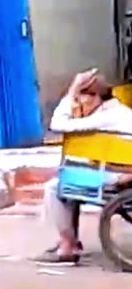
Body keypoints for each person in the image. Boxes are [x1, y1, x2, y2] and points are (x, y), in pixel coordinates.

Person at [35, 70, 132, 265]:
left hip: (123, 177)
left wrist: (72, 89)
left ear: (96, 97)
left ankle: (67, 245)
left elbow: (58, 124)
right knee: (71, 178)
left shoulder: (109, 116)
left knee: (56, 187)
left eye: (81, 99)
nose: (78, 105)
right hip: (120, 171)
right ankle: (69, 241)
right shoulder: (114, 111)